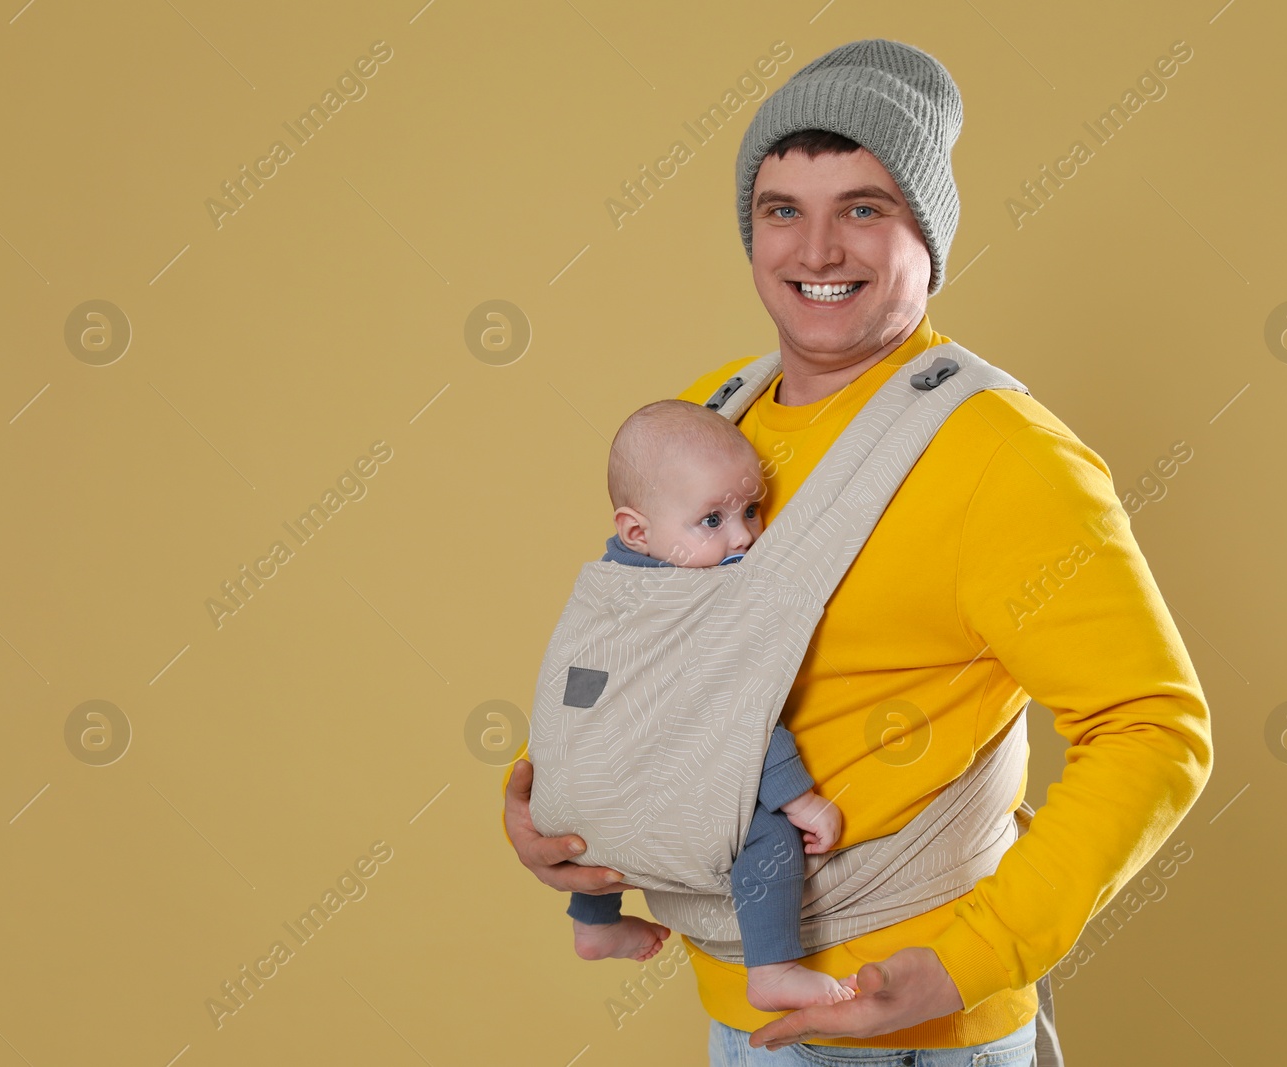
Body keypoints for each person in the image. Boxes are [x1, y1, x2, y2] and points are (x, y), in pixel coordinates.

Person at [503, 37, 1213, 1063]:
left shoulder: (1004, 459)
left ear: (929, 236)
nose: (816, 250)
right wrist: (550, 800)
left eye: (864, 209)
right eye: (782, 209)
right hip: (741, 1008)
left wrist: (973, 957)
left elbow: (1154, 726)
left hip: (915, 1023)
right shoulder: (715, 418)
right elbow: (647, 644)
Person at [564, 398, 858, 1012]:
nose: (746, 535)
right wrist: (799, 798)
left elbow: (575, 673)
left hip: (579, 788)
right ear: (637, 531)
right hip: (644, 783)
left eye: (750, 511)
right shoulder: (695, 602)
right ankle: (773, 967)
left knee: (589, 818)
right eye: (712, 521)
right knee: (767, 837)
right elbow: (742, 707)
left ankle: (593, 923)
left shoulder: (612, 578)